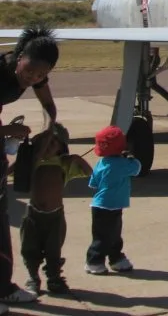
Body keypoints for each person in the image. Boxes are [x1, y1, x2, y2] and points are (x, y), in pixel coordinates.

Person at [0, 25, 61, 309]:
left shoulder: (34, 72)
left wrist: (49, 130)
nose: (33, 78)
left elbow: (49, 106)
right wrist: (8, 131)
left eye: (40, 75)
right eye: (30, 72)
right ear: (19, 56)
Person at [20, 123, 92, 295]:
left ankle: (54, 278)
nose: (47, 147)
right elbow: (10, 172)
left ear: (61, 147)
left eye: (52, 143)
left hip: (55, 218)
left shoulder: (64, 164)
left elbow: (90, 172)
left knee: (54, 250)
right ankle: (33, 278)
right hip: (33, 215)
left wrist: (77, 158)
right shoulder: (33, 164)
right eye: (44, 143)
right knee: (30, 248)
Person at [86, 126, 142, 275]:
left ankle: (115, 258)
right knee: (110, 235)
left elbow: (93, 183)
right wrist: (130, 157)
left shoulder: (101, 163)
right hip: (112, 206)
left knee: (105, 234)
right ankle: (95, 261)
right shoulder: (124, 164)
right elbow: (137, 168)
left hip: (99, 205)